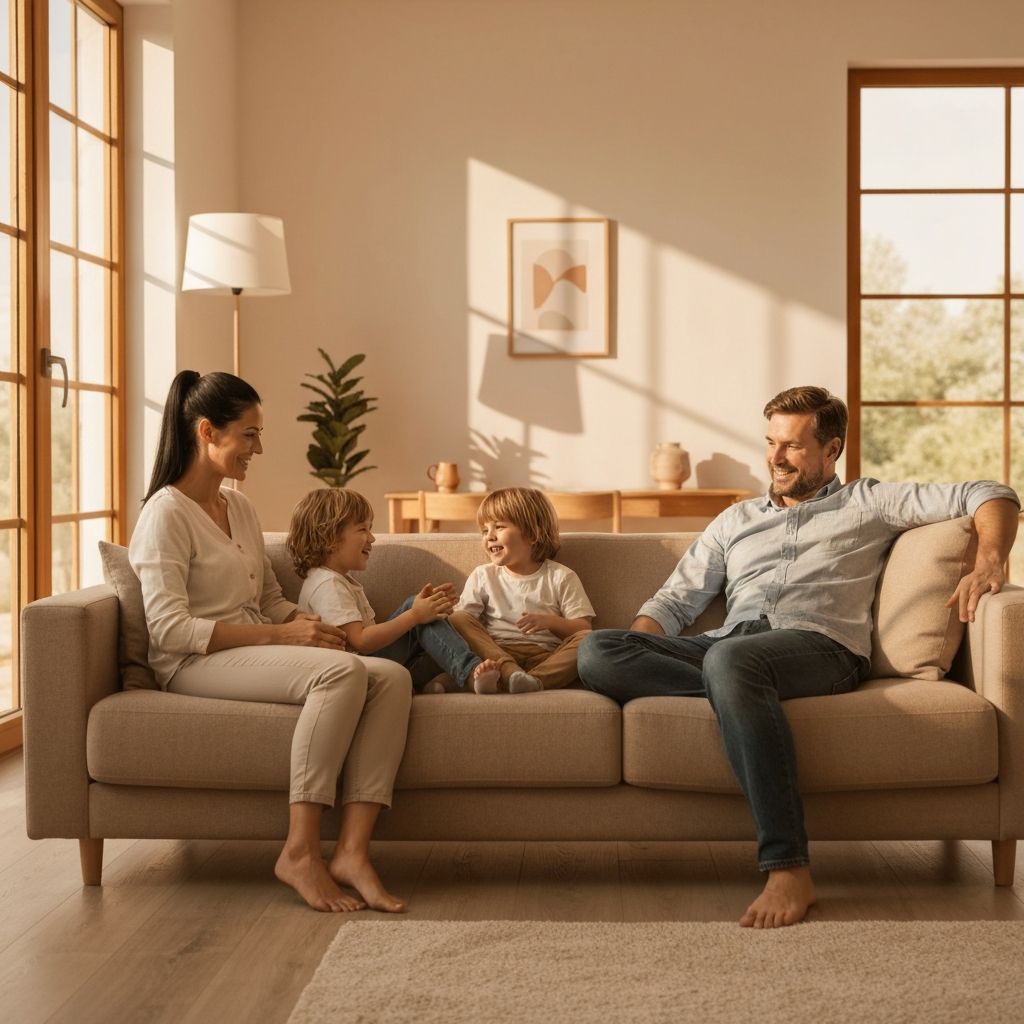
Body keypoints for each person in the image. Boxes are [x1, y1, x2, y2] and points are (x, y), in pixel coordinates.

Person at [577, 385, 1020, 929]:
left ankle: (788, 867)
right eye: (771, 442)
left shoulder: (869, 502)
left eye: (792, 445)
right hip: (729, 646)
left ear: (831, 449)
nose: (776, 457)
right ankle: (739, 696)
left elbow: (990, 492)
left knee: (731, 663)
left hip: (821, 647)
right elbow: (673, 602)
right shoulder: (735, 520)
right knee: (598, 651)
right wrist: (646, 648)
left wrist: (990, 560)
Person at [129, 370, 412, 914]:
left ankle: (352, 852)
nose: (258, 448)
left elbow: (269, 598)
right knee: (342, 672)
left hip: (252, 650)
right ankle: (300, 852)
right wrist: (282, 634)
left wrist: (310, 626)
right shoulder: (164, 514)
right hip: (193, 662)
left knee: (391, 678)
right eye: (249, 435)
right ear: (207, 431)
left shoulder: (239, 507)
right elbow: (169, 629)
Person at [287, 487, 501, 692]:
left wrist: (425, 610)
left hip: (367, 664)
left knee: (433, 625)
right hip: (360, 669)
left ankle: (432, 683)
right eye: (363, 529)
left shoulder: (334, 579)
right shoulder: (327, 584)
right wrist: (414, 615)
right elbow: (362, 642)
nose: (372, 538)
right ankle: (470, 673)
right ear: (329, 537)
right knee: (414, 609)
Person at [448, 487, 595, 693]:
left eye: (499, 527)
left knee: (588, 639)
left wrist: (550, 622)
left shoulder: (561, 576)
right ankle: (509, 673)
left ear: (532, 534)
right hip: (496, 654)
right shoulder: (483, 575)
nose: (489, 536)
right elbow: (464, 623)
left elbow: (583, 627)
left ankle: (530, 680)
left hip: (545, 657)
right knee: (458, 618)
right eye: (484, 530)